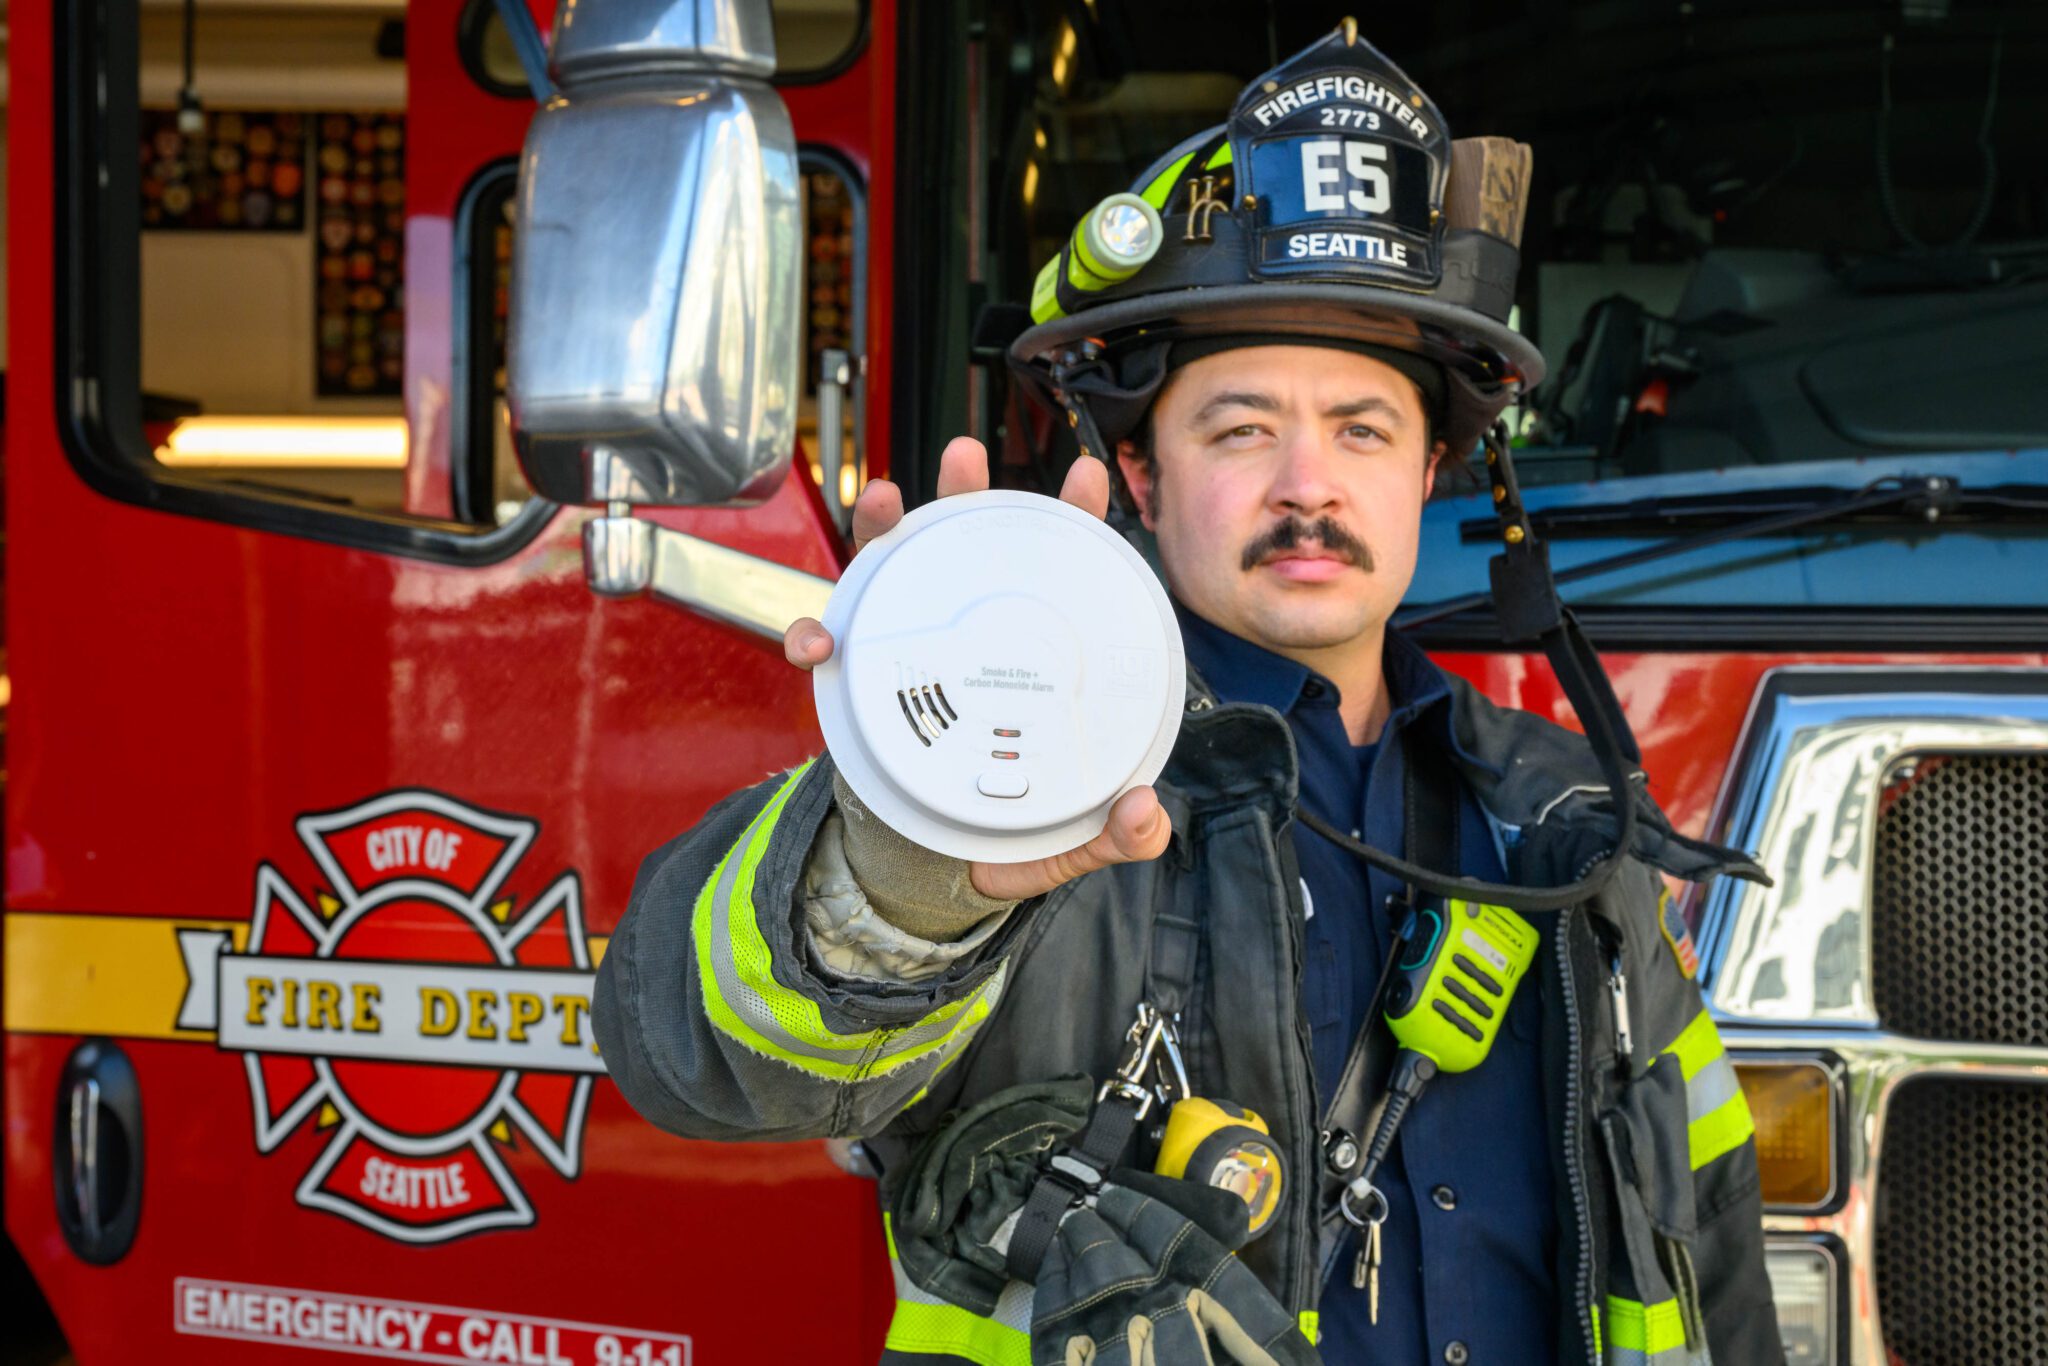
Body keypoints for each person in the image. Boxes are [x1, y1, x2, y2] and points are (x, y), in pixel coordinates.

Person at [593, 20, 1781, 1366]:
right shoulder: (1022, 793)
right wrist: (904, 866)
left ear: (1435, 472)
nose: (1308, 483)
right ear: (1141, 479)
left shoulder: (1564, 826)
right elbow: (691, 1054)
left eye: (1364, 428)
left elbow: (1710, 1241)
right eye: (1239, 428)